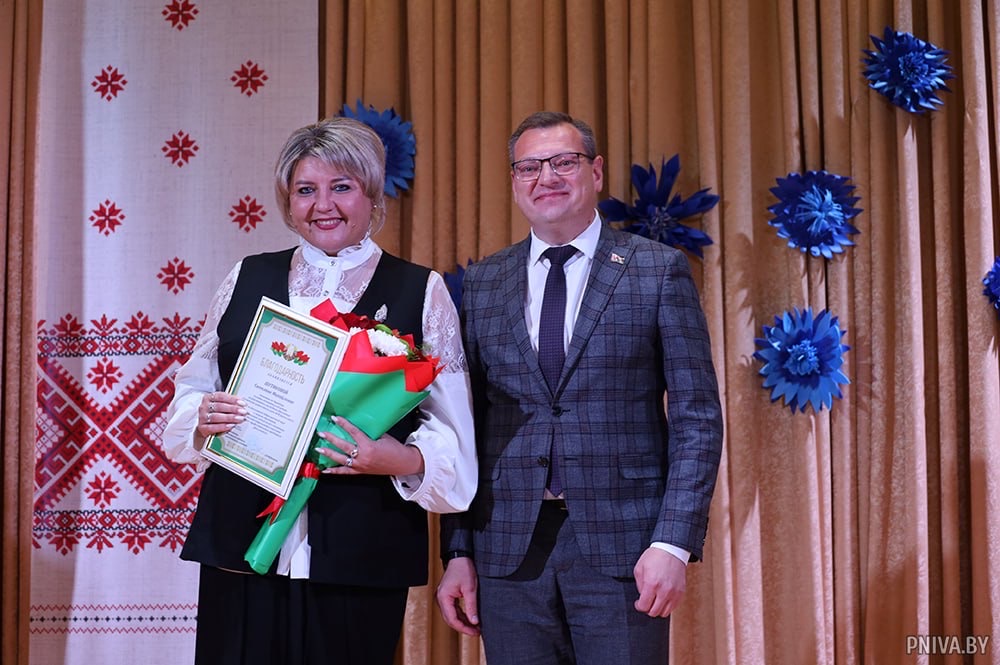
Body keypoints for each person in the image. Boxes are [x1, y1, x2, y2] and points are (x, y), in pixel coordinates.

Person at [162, 116, 477, 665]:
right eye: (306, 190)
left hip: (361, 548)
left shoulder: (420, 289)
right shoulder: (245, 276)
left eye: (342, 187)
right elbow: (191, 392)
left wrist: (397, 459)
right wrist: (201, 416)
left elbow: (453, 432)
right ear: (288, 201)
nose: (322, 205)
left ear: (372, 194)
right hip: (240, 540)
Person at [435, 111, 724, 664]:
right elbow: (464, 425)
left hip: (626, 549)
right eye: (529, 167)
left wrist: (672, 542)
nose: (546, 177)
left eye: (563, 162)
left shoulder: (655, 270)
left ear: (595, 172)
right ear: (514, 181)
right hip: (507, 550)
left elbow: (697, 419)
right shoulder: (485, 282)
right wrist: (458, 550)